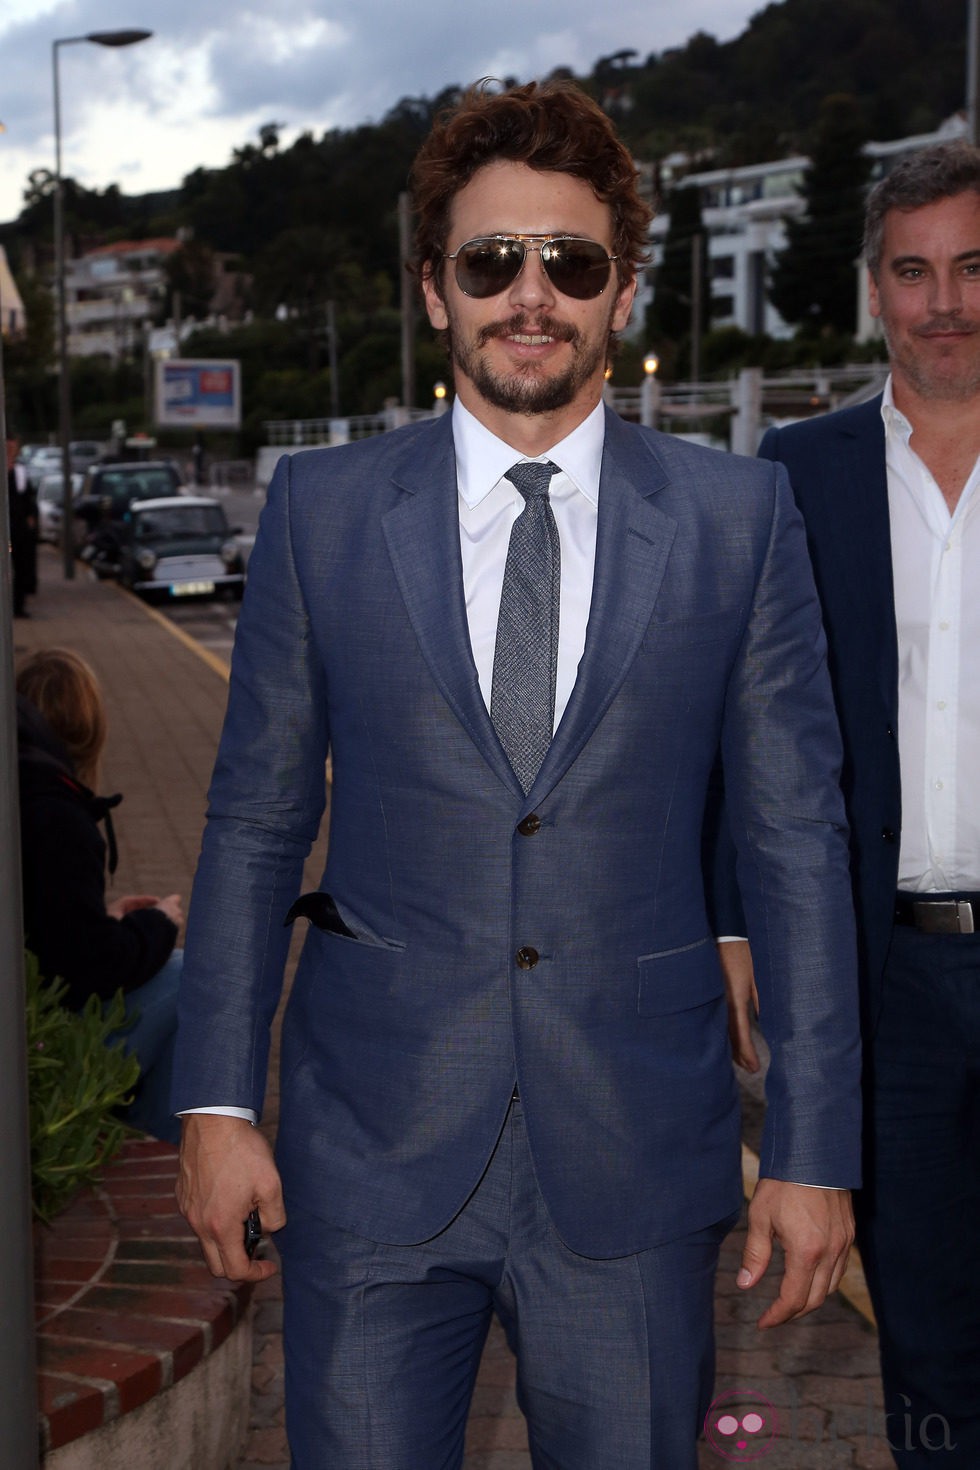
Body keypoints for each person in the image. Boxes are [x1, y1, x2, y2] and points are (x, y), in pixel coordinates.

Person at [173, 80, 861, 1469]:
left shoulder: (740, 520)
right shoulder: (321, 513)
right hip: (368, 1156)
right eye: (492, 261)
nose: (530, 295)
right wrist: (217, 1101)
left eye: (572, 262)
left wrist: (814, 1144)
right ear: (434, 288)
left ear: (621, 295)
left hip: (637, 1159)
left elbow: (795, 841)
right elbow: (255, 820)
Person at [729, 141, 980, 1466]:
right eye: (914, 271)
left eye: (973, 266)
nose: (946, 301)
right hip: (883, 976)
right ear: (875, 289)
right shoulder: (799, 471)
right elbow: (740, 718)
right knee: (929, 1323)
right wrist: (730, 921)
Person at [17, 647, 184, 1145]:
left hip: (27, 1013)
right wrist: (159, 922)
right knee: (191, 979)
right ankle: (156, 1147)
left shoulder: (23, 792)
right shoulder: (57, 817)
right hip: (39, 1048)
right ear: (91, 730)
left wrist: (105, 916)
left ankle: (147, 1143)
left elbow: (46, 930)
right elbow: (90, 966)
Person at [7, 432, 38, 617]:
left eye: (13, 448)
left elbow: (27, 498)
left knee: (22, 568)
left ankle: (18, 606)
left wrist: (30, 518)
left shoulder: (20, 471)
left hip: (19, 529)